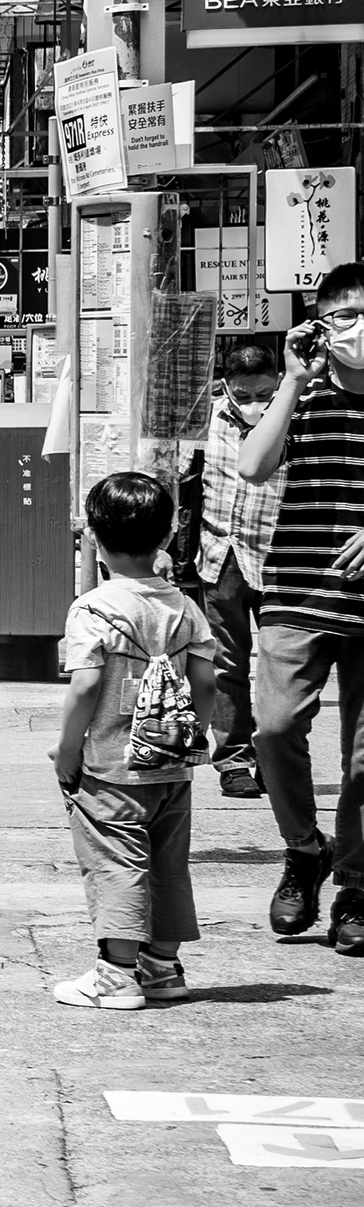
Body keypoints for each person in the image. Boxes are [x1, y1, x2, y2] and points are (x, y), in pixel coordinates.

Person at [51, 469, 214, 1008]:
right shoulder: (184, 607)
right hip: (172, 765)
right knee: (169, 865)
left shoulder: (94, 608)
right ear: (166, 537)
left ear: (94, 538)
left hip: (111, 767)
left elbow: (86, 685)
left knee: (117, 861)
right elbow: (207, 681)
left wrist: (69, 750)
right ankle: (162, 970)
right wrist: (191, 737)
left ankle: (117, 977)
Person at [239, 260, 364, 952]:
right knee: (274, 727)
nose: (351, 329)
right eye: (340, 317)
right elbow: (255, 466)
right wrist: (291, 379)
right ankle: (303, 847)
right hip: (295, 588)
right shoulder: (304, 396)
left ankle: (355, 887)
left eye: (358, 314)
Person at [190, 335, 287, 799]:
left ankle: (278, 758)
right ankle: (232, 760)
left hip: (282, 557)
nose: (253, 404)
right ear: (227, 388)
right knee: (227, 664)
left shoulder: (296, 417)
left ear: (278, 383)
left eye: (263, 395)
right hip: (221, 556)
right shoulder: (206, 419)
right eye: (243, 396)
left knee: (282, 666)